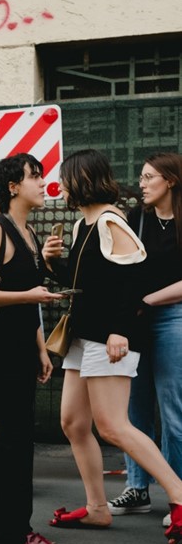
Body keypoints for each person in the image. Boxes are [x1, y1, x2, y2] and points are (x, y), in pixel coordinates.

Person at [42, 149, 182, 544]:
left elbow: (132, 279)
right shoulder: (81, 224)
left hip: (109, 336)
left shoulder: (110, 220)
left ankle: (179, 495)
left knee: (113, 425)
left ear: (83, 179)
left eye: (67, 179)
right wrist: (52, 264)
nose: (63, 186)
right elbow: (89, 280)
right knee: (72, 422)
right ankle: (98, 508)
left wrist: (119, 330)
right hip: (83, 335)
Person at [0, 153, 59, 544]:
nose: (42, 183)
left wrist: (41, 348)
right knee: (16, 437)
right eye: (34, 177)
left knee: (10, 434)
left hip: (22, 342)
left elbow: (32, 305)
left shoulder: (28, 232)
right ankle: (13, 531)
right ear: (13, 187)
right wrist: (27, 295)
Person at [108, 153, 182, 520]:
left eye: (149, 176)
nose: (142, 183)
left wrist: (148, 298)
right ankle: (137, 488)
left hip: (172, 317)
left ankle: (178, 493)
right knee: (133, 409)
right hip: (135, 321)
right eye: (140, 176)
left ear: (170, 180)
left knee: (173, 410)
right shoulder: (136, 219)